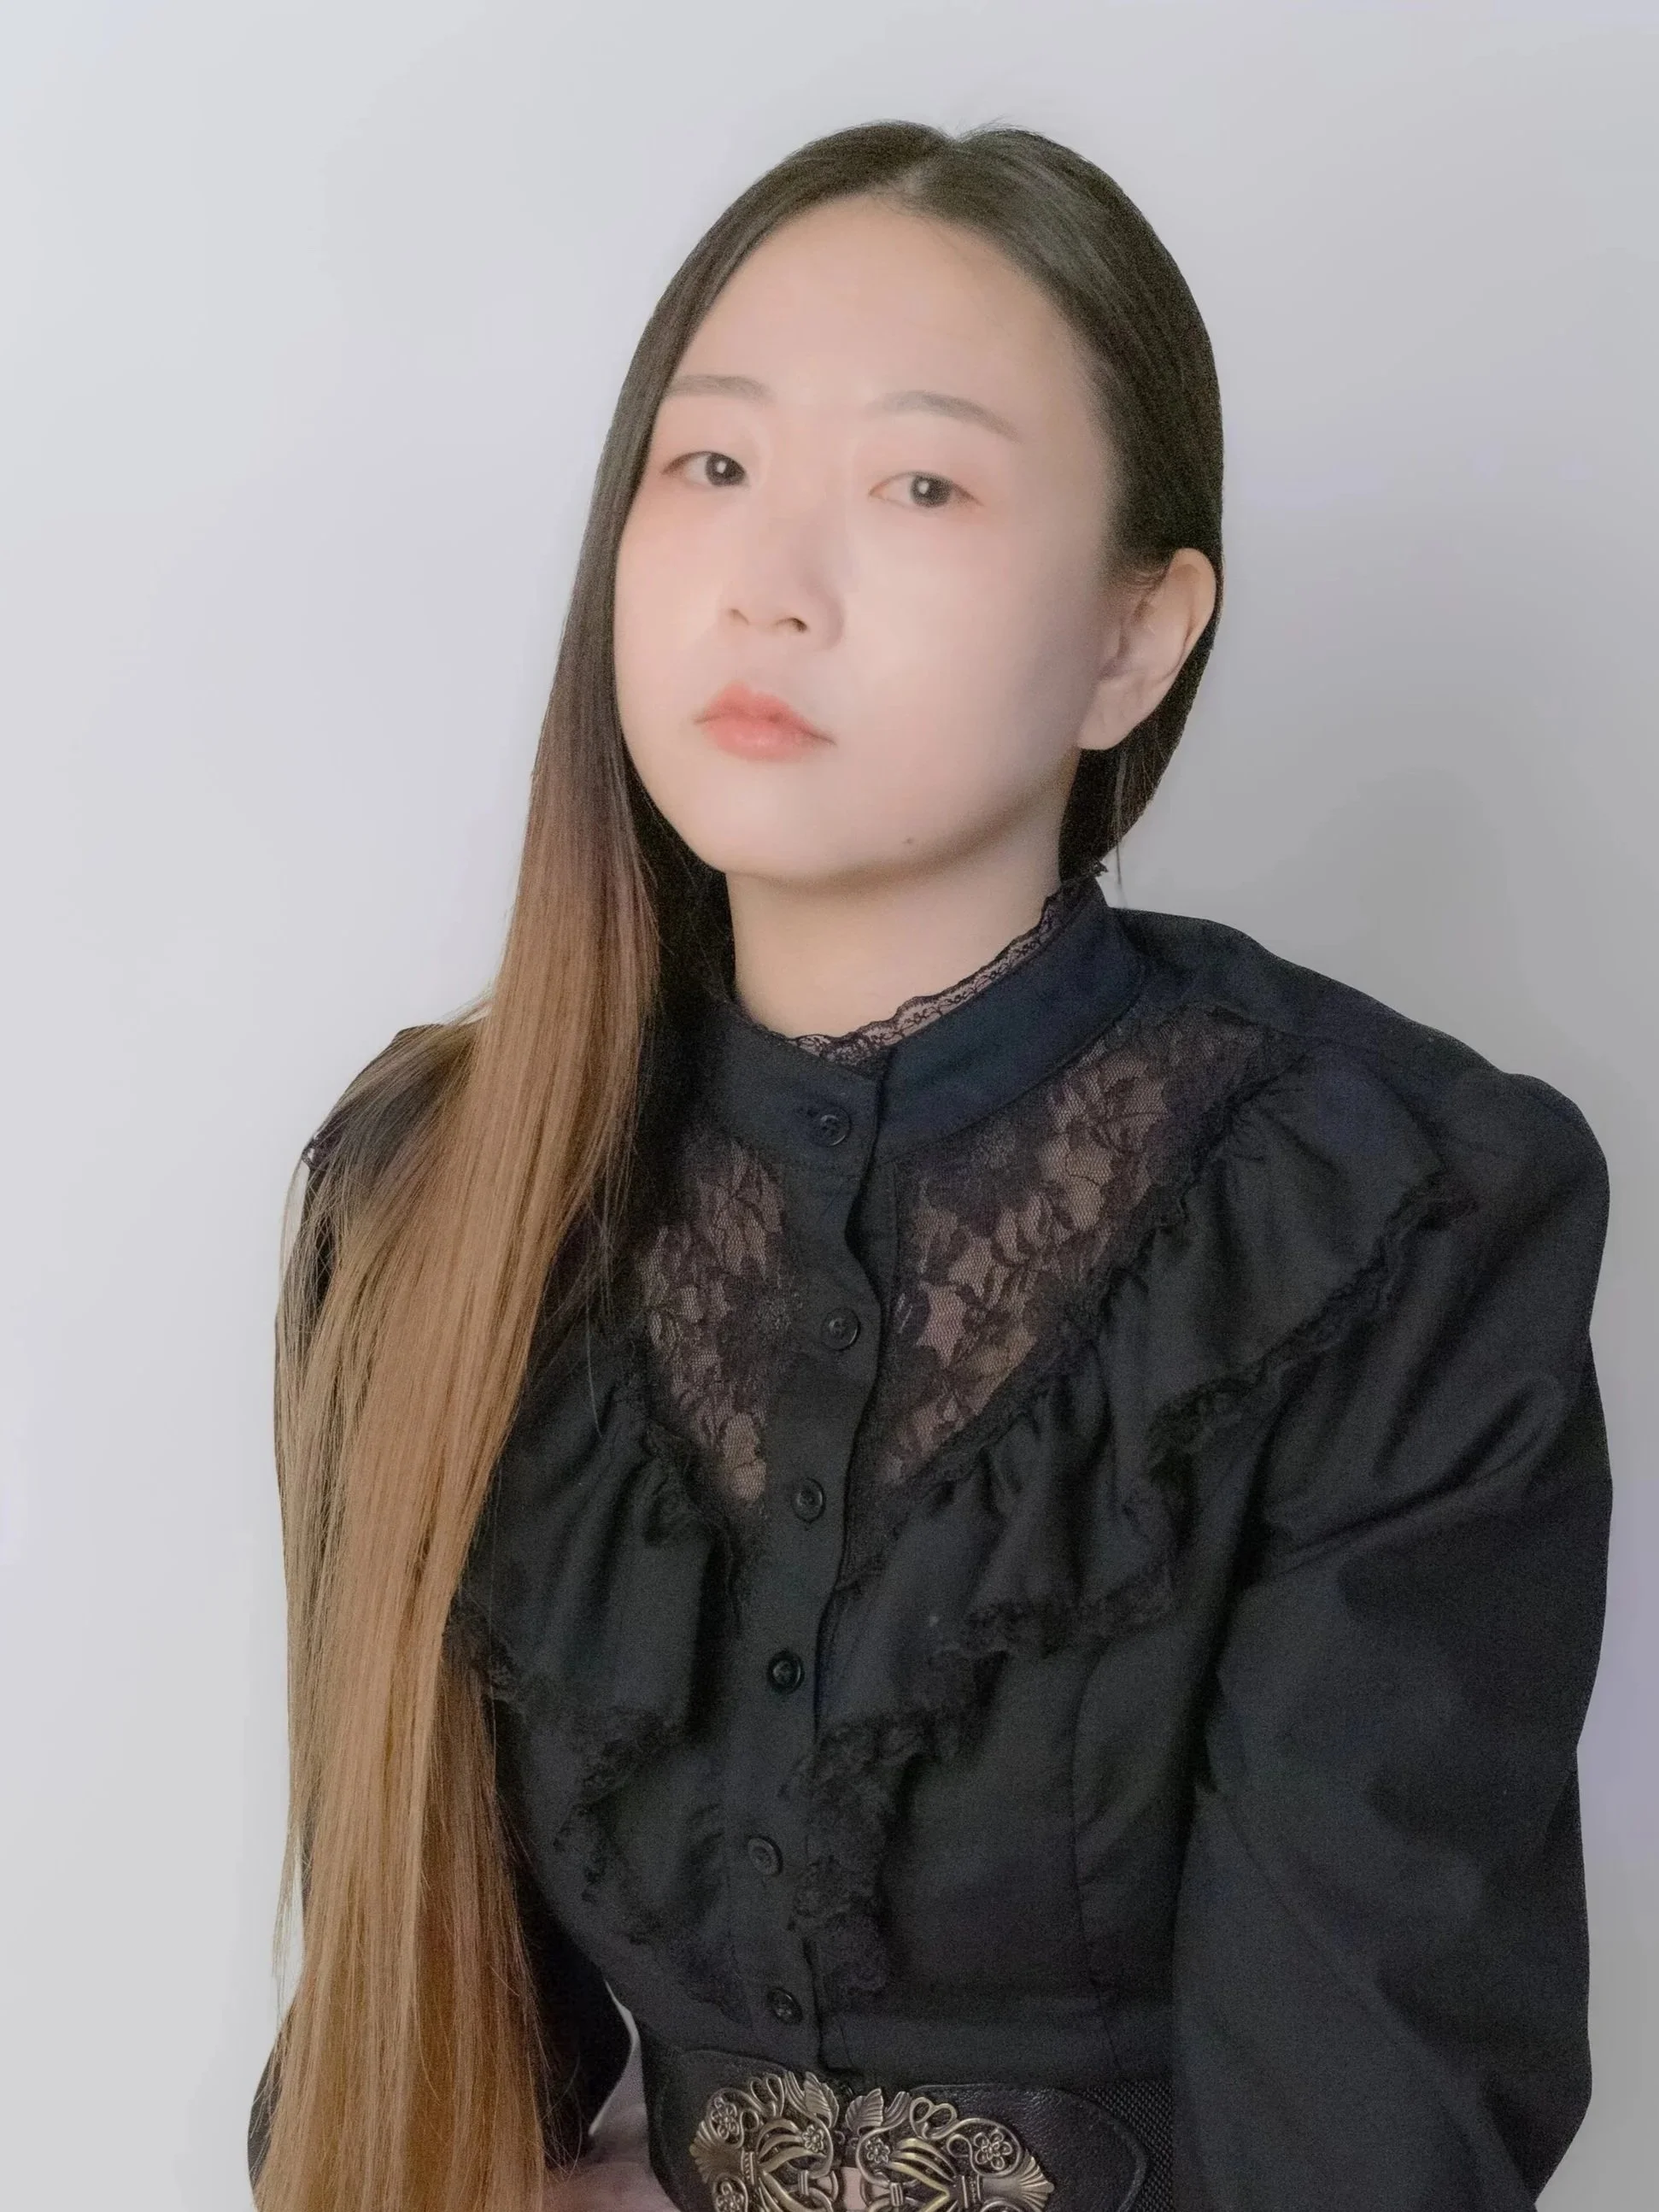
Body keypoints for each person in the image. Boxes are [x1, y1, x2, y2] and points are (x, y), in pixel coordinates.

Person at [246, 120, 1613, 2212]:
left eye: (919, 486)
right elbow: (415, 2043)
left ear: (1133, 638)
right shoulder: (433, 1191)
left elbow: (1370, 2128)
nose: (768, 581)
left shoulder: (1381, 1211)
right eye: (710, 464)